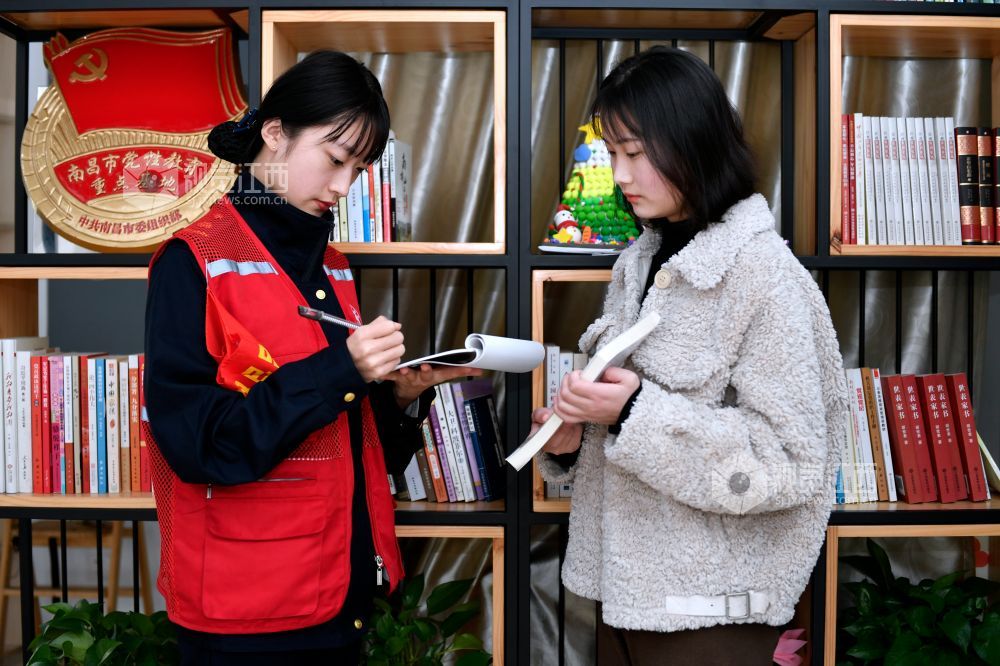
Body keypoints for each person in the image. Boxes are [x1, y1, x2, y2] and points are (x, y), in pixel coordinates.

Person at [143, 50, 476, 665]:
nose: (343, 187)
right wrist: (339, 370)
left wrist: (397, 399)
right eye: (334, 159)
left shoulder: (332, 267)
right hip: (245, 613)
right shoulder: (191, 263)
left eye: (360, 168)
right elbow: (199, 447)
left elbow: (339, 449)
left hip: (335, 596)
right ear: (274, 134)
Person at [531, 46, 847, 665]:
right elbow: (635, 429)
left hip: (710, 614)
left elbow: (792, 463)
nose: (619, 175)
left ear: (690, 141)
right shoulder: (640, 261)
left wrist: (633, 412)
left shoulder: (764, 275)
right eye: (612, 153)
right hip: (623, 599)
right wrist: (571, 442)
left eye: (634, 154)